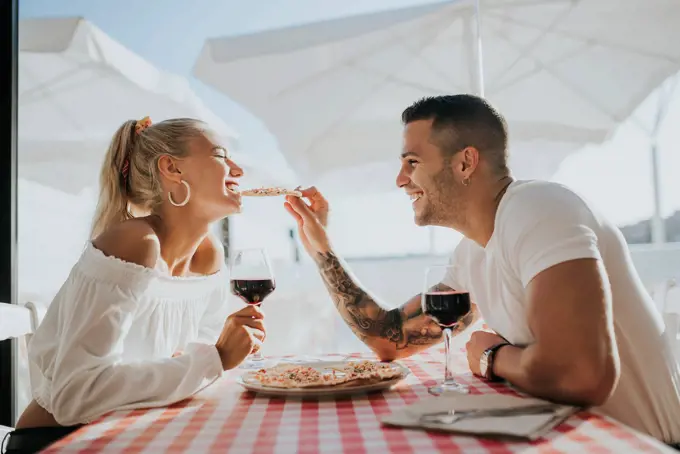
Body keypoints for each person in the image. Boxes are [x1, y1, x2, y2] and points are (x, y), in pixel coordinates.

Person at [284, 95, 680, 446]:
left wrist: (493, 356)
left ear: (465, 162)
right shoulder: (473, 252)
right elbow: (391, 338)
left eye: (412, 162)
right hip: (567, 437)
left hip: (639, 442)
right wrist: (322, 248)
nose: (401, 180)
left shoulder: (540, 209)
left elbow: (580, 375)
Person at [5, 117, 266, 453]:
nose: (238, 170)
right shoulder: (134, 243)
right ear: (171, 168)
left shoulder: (208, 255)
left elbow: (189, 361)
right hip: (60, 442)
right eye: (220, 156)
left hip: (134, 435)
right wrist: (214, 358)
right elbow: (76, 396)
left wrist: (218, 352)